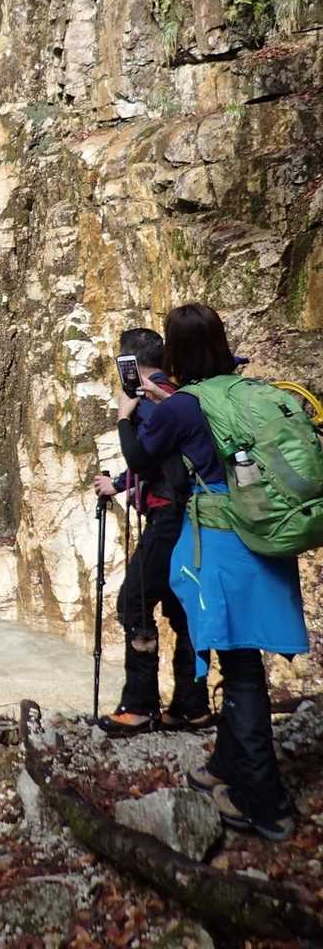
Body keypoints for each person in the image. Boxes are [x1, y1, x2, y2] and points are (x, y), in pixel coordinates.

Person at [121, 303, 308, 842]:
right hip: (263, 535)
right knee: (243, 657)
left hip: (222, 547)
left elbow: (140, 459)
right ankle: (226, 765)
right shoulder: (243, 389)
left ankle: (265, 804)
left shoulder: (182, 406)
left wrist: (126, 412)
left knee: (241, 668)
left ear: (176, 353)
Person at [94, 327, 211, 737]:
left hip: (169, 518)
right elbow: (163, 457)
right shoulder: (174, 392)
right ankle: (191, 707)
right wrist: (118, 484)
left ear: (129, 363)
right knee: (180, 608)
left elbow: (142, 458)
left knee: (134, 602)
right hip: (192, 517)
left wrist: (123, 417)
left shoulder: (147, 400)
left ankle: (140, 706)